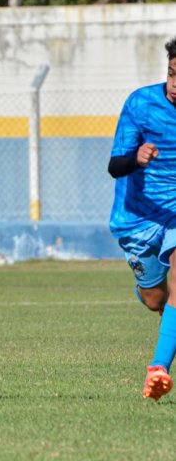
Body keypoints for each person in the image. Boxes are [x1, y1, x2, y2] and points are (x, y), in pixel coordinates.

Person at [108, 35, 176, 401]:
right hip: (137, 218)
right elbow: (114, 166)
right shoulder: (141, 103)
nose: (175, 85)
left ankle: (158, 369)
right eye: (172, 74)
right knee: (155, 299)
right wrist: (136, 158)